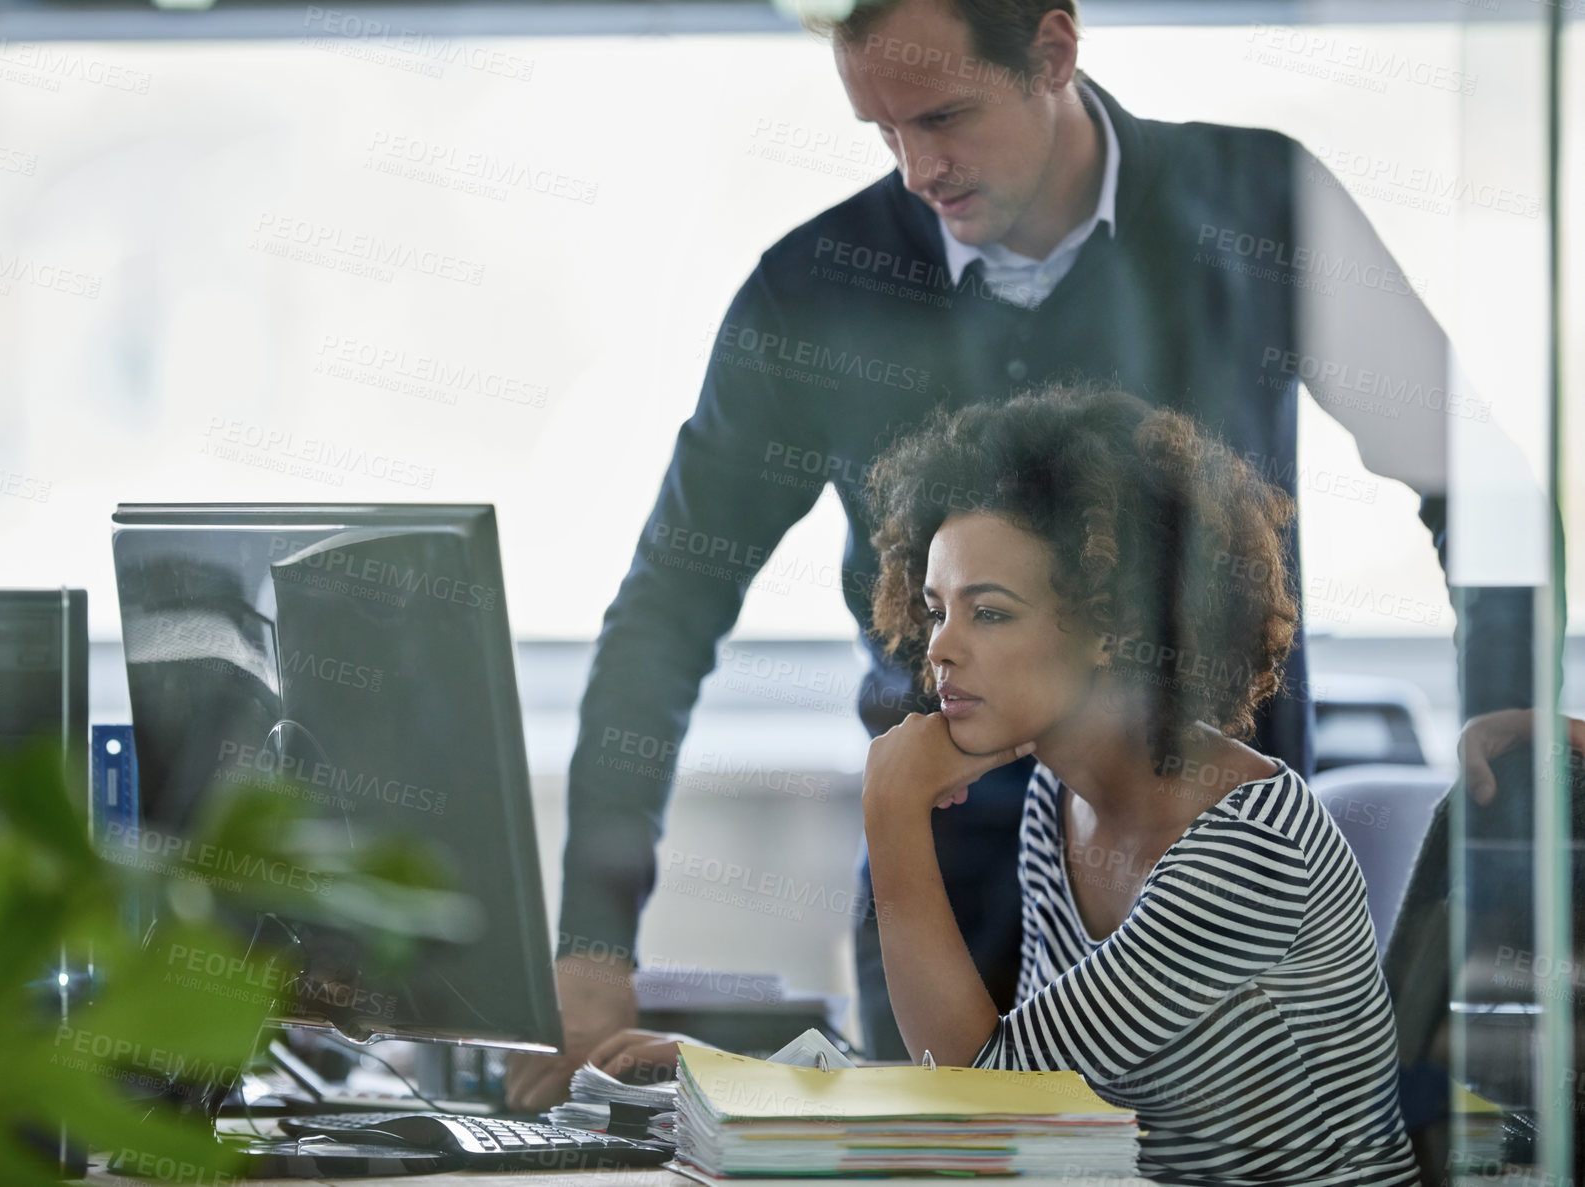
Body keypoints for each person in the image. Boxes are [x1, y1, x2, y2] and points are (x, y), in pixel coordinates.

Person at [504, 0, 1535, 1109]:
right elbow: (670, 604)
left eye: (944, 116)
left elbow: (1472, 478)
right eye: (882, 132)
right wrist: (592, 943)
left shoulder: (1256, 205)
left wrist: (1507, 707)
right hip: (942, 879)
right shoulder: (814, 289)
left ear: (1052, 50)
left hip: (1199, 868)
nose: (917, 170)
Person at [861, 384, 1421, 1185]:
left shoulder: (1248, 848)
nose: (938, 649)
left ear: (1112, 623)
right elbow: (1037, 1117)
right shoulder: (1055, 804)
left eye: (987, 613)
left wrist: (891, 814)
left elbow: (993, 1101)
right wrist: (728, 1079)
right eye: (935, 608)